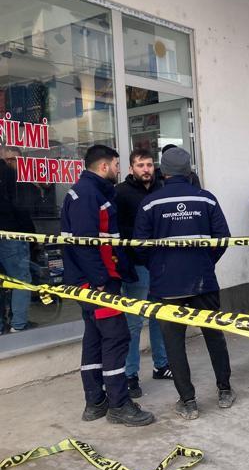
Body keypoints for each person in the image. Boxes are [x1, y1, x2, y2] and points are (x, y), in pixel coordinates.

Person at [134, 147, 234, 420]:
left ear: (163, 172)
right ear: (188, 170)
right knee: (214, 335)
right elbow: (223, 238)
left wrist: (157, 267)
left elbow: (139, 246)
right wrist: (206, 262)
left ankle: (188, 402)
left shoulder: (151, 202)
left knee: (174, 343)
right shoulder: (206, 199)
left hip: (166, 285)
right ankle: (225, 390)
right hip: (203, 281)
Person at [61, 144, 155, 426]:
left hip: (91, 282)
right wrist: (101, 281)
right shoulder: (89, 195)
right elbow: (85, 243)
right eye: (116, 165)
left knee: (94, 338)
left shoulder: (90, 191)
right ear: (104, 166)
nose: (118, 169)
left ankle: (96, 401)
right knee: (116, 338)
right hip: (97, 284)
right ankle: (119, 404)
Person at [115, 148, 171, 399]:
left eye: (149, 165)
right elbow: (116, 231)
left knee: (159, 317)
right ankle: (130, 375)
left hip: (160, 264)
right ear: (131, 169)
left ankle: (161, 365)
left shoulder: (162, 190)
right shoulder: (120, 193)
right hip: (136, 266)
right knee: (134, 322)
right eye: (140, 165)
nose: (146, 169)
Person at [0, 147, 36, 333]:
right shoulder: (10, 175)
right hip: (11, 233)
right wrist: (31, 235)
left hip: (10, 232)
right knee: (21, 279)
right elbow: (20, 207)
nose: (12, 163)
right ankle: (19, 324)